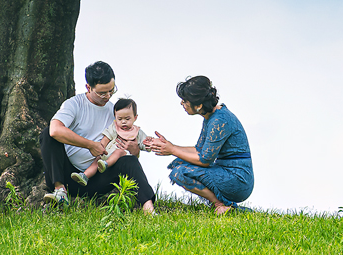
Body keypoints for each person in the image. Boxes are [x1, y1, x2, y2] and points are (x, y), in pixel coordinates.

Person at [39, 61, 156, 213]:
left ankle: (149, 208)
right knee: (47, 135)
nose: (107, 96)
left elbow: (129, 149)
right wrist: (90, 145)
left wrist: (135, 151)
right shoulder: (75, 104)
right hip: (69, 176)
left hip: (99, 177)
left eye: (111, 91)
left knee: (131, 161)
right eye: (102, 93)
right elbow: (55, 130)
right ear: (89, 87)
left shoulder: (114, 112)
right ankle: (60, 191)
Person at [147, 75, 253, 215]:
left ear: (198, 106)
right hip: (227, 171)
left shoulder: (219, 120)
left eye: (185, 101)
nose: (181, 104)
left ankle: (221, 204)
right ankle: (219, 204)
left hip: (238, 179)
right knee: (179, 162)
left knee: (180, 172)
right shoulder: (212, 116)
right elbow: (200, 150)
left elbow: (205, 160)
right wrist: (169, 145)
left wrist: (172, 149)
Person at [72, 98, 152, 187]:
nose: (123, 122)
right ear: (115, 118)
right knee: (97, 160)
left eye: (127, 118)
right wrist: (100, 148)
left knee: (118, 152)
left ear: (135, 117)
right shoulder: (114, 128)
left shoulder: (137, 133)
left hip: (121, 158)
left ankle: (106, 164)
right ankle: (85, 176)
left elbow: (145, 144)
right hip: (106, 153)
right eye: (120, 119)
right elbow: (106, 139)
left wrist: (150, 143)